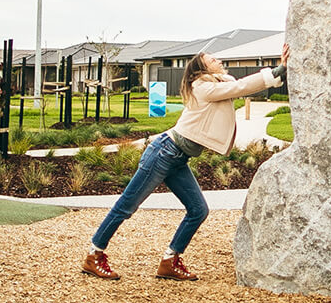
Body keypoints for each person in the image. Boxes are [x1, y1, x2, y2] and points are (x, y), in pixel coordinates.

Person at [81, 44, 290, 281]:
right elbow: (240, 86)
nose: (218, 60)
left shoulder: (218, 84)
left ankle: (170, 260)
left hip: (178, 158)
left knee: (198, 210)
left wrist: (278, 73)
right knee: (127, 206)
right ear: (202, 68)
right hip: (163, 152)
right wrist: (278, 70)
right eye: (213, 59)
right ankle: (94, 255)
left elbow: (237, 86)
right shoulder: (201, 86)